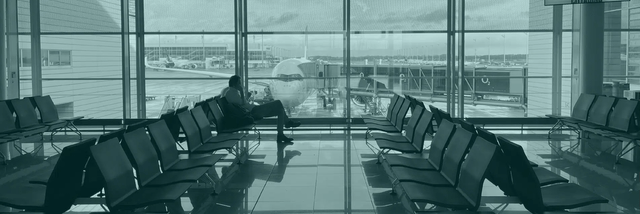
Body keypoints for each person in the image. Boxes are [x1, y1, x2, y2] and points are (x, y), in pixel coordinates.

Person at [221, 75, 300, 143]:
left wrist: (245, 96)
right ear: (235, 84)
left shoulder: (233, 92)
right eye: (239, 83)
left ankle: (280, 135)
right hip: (252, 112)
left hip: (252, 110)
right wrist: (242, 92)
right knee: (278, 103)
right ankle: (287, 123)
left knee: (280, 111)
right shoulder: (230, 93)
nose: (241, 85)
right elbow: (242, 104)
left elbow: (241, 104)